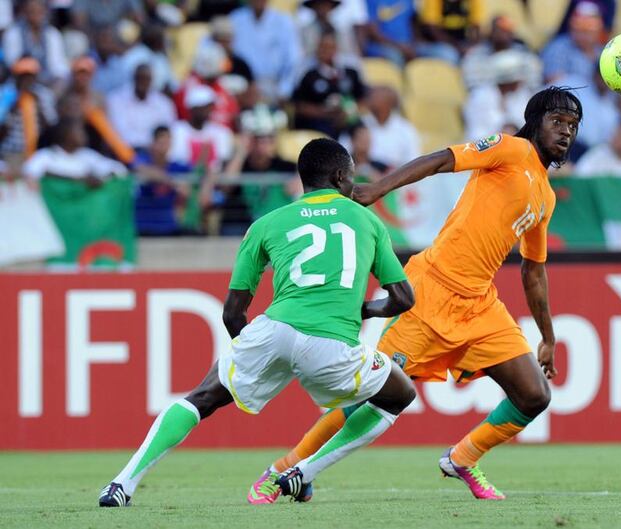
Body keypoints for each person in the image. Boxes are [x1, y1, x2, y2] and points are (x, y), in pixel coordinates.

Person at [254, 86, 581, 502]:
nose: (566, 132)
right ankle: (281, 470)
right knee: (371, 395)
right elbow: (442, 159)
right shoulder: (509, 149)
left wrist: (548, 337)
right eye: (557, 121)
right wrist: (377, 190)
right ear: (535, 123)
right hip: (431, 290)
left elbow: (533, 272)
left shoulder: (546, 196)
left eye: (572, 125)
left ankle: (462, 458)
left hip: (480, 305)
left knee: (534, 395)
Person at [98, 137, 417, 507]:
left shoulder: (267, 223)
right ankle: (303, 472)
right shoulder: (367, 219)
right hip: (334, 343)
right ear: (339, 175)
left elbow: (233, 312)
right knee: (399, 395)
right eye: (352, 179)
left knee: (202, 397)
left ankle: (122, 484)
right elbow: (403, 299)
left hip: (274, 329)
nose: (355, 187)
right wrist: (361, 310)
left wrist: (258, 353)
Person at [292, 29, 367, 138]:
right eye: (322, 47)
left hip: (347, 118)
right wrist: (325, 113)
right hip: (319, 122)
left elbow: (362, 98)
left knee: (361, 131)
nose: (325, 51)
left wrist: (349, 111)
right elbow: (300, 106)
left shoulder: (350, 73)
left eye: (330, 47)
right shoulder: (308, 76)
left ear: (336, 49)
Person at [229, 0, 302, 103]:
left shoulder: (283, 21)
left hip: (273, 86)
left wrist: (284, 89)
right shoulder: (235, 19)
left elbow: (293, 59)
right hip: (241, 87)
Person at [23, 118, 127, 186]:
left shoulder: (87, 155)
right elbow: (30, 174)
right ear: (65, 134)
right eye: (79, 131)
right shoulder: (46, 156)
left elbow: (118, 170)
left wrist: (104, 178)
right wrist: (78, 180)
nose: (83, 134)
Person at [464, 50, 535, 141]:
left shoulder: (523, 93)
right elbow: (475, 133)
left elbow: (526, 125)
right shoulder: (480, 97)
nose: (520, 82)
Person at [107, 63, 177, 152]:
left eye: (146, 79)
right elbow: (119, 132)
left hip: (155, 152)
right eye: (140, 78)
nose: (143, 82)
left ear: (152, 80)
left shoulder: (163, 103)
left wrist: (154, 146)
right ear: (134, 78)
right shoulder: (116, 99)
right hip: (126, 151)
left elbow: (167, 131)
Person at [462, 15, 542, 90]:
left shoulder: (524, 54)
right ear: (491, 32)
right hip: (490, 97)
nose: (501, 33)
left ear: (512, 33)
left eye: (505, 29)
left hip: (517, 97)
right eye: (498, 29)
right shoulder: (477, 54)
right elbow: (472, 85)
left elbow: (534, 83)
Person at [0, 57, 57, 163]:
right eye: (23, 76)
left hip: (38, 154)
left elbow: (52, 128)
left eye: (30, 76)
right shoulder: (5, 93)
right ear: (16, 76)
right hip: (9, 152)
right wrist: (13, 107)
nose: (26, 80)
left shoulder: (44, 94)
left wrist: (39, 106)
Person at [2, 0, 69, 88]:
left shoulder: (52, 34)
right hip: (20, 80)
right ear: (25, 12)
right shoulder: (13, 33)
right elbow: (12, 63)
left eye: (39, 11)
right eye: (32, 11)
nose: (35, 15)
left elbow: (58, 67)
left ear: (45, 12)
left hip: (47, 82)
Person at [540, 1, 603, 84]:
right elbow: (553, 82)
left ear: (598, 31)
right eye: (579, 30)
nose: (583, 36)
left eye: (588, 32)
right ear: (571, 28)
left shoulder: (602, 51)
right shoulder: (558, 48)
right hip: (568, 95)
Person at [361, 85, 421, 167]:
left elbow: (413, 163)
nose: (370, 100)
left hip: (396, 176)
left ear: (389, 103)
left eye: (376, 97)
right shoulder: (360, 124)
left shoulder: (405, 130)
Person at [418, 0, 484, 64]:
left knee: (478, 55)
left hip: (461, 42)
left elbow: (477, 27)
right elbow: (432, 29)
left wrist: (470, 47)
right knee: (451, 56)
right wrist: (457, 47)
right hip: (435, 43)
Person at [120, 23, 176, 94]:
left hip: (158, 98)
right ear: (154, 40)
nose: (164, 42)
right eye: (162, 39)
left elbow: (171, 83)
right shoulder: (134, 55)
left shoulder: (160, 57)